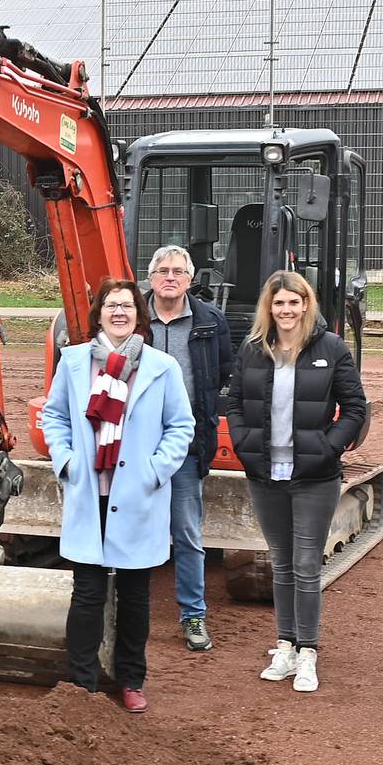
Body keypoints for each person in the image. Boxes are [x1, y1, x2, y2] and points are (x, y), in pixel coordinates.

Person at [41, 279, 196, 712]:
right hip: (89, 490)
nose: (119, 313)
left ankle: (131, 679)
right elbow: (54, 416)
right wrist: (67, 461)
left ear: (139, 315)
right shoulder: (73, 361)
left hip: (137, 495)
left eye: (127, 306)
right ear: (99, 314)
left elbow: (180, 426)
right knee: (87, 594)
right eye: (112, 305)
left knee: (134, 596)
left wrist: (155, 470)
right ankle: (82, 683)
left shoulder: (161, 367)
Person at [223, 271, 367, 695]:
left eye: (293, 302)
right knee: (281, 564)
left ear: (306, 305)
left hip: (314, 476)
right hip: (265, 472)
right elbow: (235, 403)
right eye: (278, 303)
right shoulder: (253, 349)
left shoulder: (331, 349)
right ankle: (285, 644)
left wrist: (327, 448)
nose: (286, 310)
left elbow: (355, 409)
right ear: (268, 308)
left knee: (306, 565)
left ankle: (308, 650)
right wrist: (244, 444)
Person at [142, 245, 235, 652]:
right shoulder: (132, 317)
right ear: (150, 278)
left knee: (186, 533)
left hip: (186, 445)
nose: (170, 277)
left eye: (178, 271)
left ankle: (193, 614)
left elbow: (222, 373)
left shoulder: (210, 321)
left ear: (190, 278)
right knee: (128, 529)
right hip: (135, 447)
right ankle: (122, 612)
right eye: (163, 270)